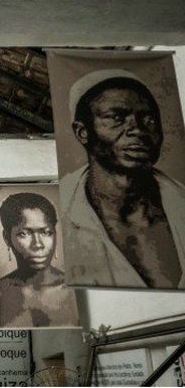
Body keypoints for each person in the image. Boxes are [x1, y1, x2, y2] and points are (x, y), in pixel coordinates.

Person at [62, 69, 185, 289]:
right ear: (82, 132)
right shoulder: (58, 216)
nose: (137, 130)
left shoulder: (180, 203)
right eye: (116, 118)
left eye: (149, 120)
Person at [0, 192, 78, 328]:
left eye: (46, 232)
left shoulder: (76, 290)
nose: (38, 244)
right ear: (7, 238)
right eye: (24, 233)